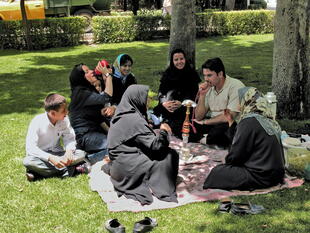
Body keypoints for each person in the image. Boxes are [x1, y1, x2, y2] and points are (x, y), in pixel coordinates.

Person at [105, 84, 179, 205]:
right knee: (170, 155)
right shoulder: (134, 119)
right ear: (136, 99)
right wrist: (164, 131)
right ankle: (161, 185)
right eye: (145, 98)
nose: (148, 101)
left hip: (118, 166)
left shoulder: (121, 114)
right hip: (127, 172)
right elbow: (157, 147)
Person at [203, 87, 285, 190]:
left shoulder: (249, 121)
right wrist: (230, 121)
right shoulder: (268, 119)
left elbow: (236, 155)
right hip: (277, 175)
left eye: (240, 102)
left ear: (247, 101)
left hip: (261, 176)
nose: (238, 106)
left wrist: (228, 161)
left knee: (217, 172)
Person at [23, 93, 87, 181]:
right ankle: (71, 170)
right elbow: (30, 148)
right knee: (28, 161)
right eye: (63, 111)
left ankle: (39, 174)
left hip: (59, 154)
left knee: (81, 154)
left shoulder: (64, 120)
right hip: (42, 157)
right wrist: (50, 158)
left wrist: (69, 151)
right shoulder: (37, 122)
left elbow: (69, 138)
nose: (67, 112)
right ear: (53, 113)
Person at [194, 57, 245, 148]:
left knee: (219, 132)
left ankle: (202, 138)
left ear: (220, 74)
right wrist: (202, 95)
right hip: (212, 123)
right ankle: (205, 139)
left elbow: (229, 116)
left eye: (209, 75)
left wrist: (205, 122)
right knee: (186, 123)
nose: (206, 79)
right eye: (204, 75)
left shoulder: (236, 86)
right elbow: (198, 116)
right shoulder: (210, 87)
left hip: (230, 124)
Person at [68, 62, 113, 163]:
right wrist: (108, 75)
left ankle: (88, 156)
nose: (92, 72)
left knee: (118, 143)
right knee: (115, 147)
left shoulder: (87, 90)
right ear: (81, 77)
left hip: (94, 132)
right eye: (87, 72)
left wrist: (112, 132)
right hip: (85, 136)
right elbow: (107, 97)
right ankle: (86, 160)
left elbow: (98, 118)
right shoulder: (81, 93)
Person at [153, 48, 201, 140]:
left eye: (181, 59)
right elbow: (161, 92)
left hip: (185, 107)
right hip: (168, 107)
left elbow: (195, 95)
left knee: (182, 124)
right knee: (157, 115)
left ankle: (169, 127)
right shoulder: (167, 74)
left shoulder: (191, 74)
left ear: (185, 59)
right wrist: (164, 103)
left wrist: (182, 103)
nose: (179, 62)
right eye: (176, 59)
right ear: (172, 61)